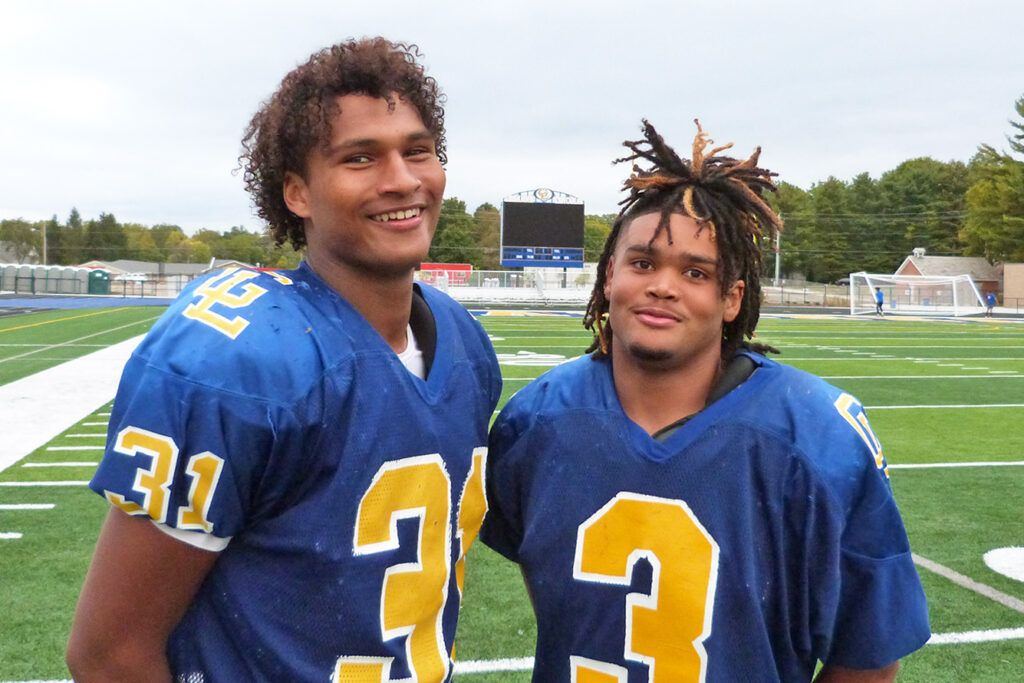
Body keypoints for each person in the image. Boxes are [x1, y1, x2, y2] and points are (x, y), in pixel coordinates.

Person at [66, 38, 501, 682]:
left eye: (417, 150)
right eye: (360, 158)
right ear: (297, 192)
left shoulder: (462, 339)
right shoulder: (241, 361)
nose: (403, 179)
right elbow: (109, 655)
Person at [481, 120, 930, 682]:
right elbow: (545, 579)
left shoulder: (815, 434)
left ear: (732, 299)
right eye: (643, 263)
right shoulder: (537, 420)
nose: (663, 286)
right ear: (609, 275)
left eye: (696, 272)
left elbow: (865, 658)